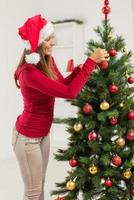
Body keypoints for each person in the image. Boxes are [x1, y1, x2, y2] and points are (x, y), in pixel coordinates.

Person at [12, 14, 109, 200]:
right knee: (32, 192)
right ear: (37, 43)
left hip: (43, 135)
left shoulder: (47, 61)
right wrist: (90, 62)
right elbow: (69, 93)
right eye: (48, 39)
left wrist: (81, 70)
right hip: (26, 139)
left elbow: (63, 85)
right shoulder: (28, 72)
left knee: (39, 185)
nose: (53, 42)